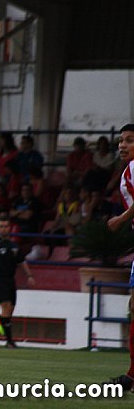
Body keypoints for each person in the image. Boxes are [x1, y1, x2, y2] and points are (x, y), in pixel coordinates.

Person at [104, 123, 134, 391]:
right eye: (121, 141)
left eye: (130, 140)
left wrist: (121, 219)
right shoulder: (128, 170)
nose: (123, 145)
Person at [0, 215, 35, 348]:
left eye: (6, 226)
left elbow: (21, 261)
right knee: (5, 307)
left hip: (10, 280)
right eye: (1, 226)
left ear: (10, 228)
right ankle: (9, 341)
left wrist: (29, 275)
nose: (4, 229)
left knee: (9, 312)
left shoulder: (13, 245)